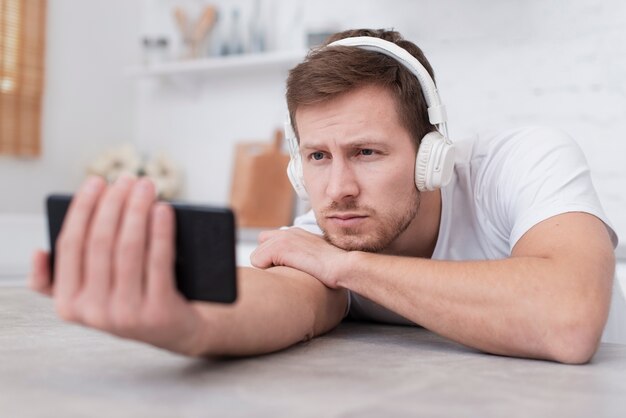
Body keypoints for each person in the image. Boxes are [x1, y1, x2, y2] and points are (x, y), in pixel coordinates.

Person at [29, 28, 617, 364]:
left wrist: (346, 267)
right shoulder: (324, 237)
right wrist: (185, 326)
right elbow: (271, 301)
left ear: (432, 154)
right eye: (317, 157)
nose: (337, 191)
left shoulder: (522, 162)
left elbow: (567, 320)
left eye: (367, 152)